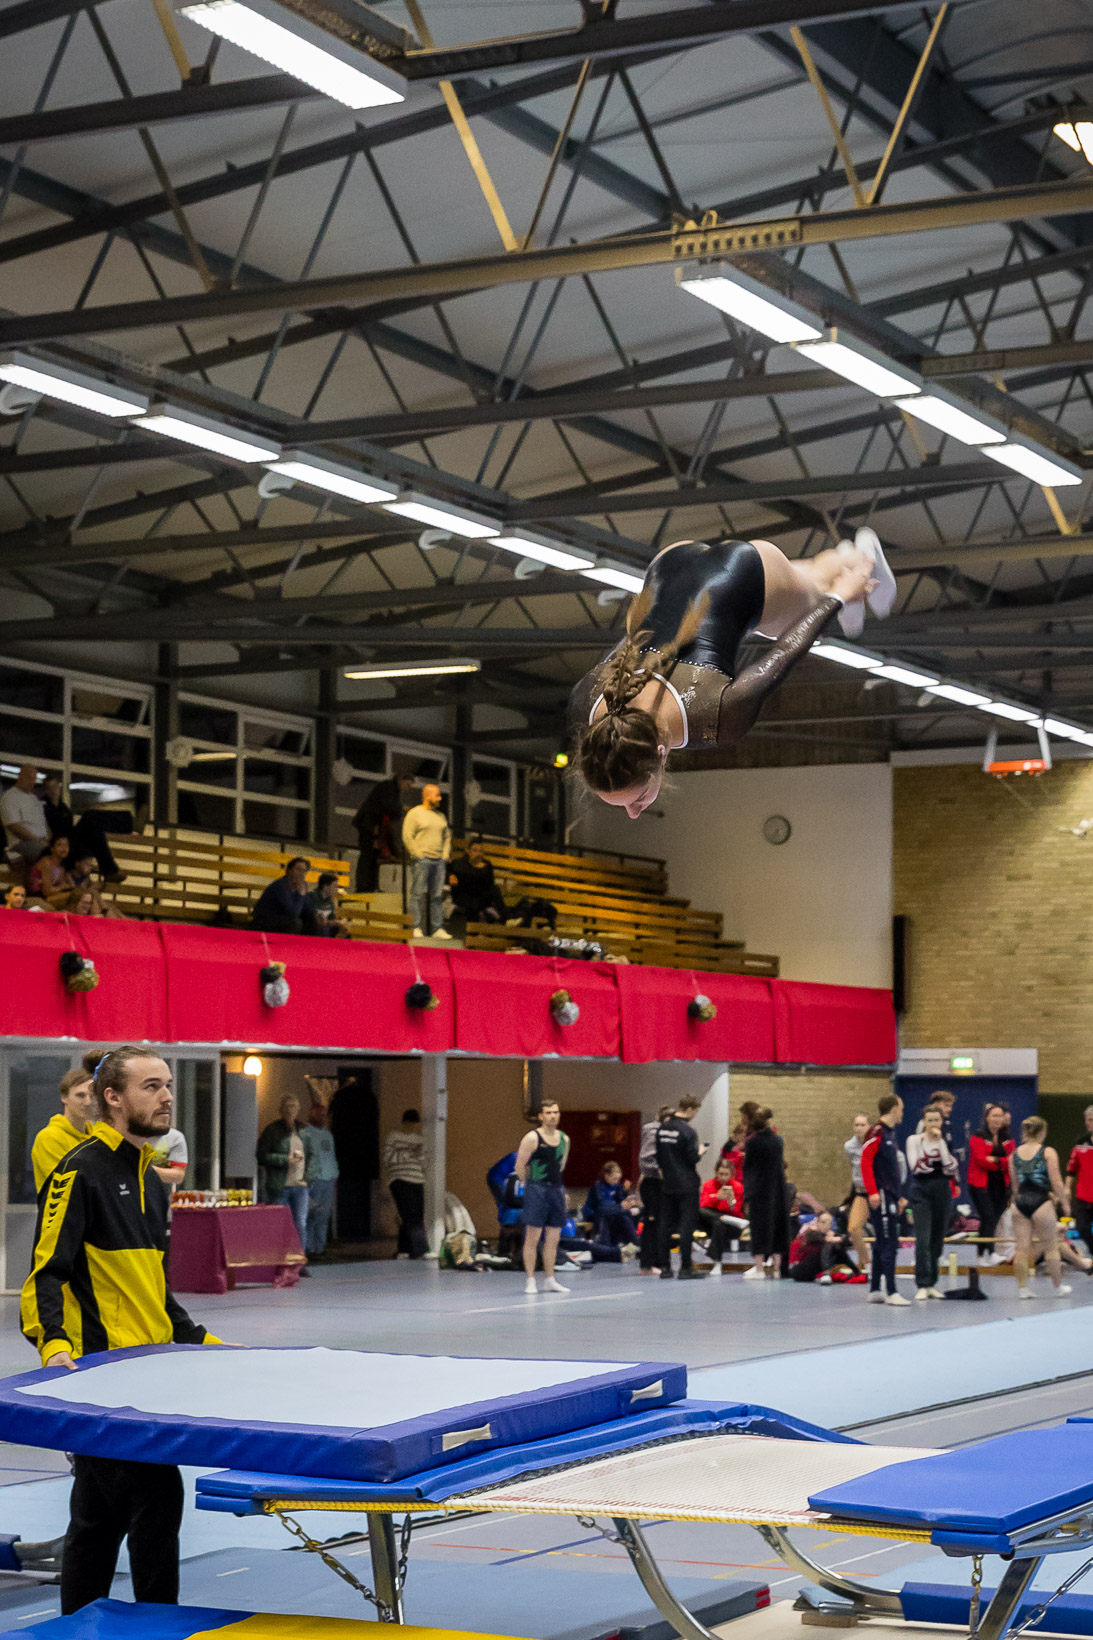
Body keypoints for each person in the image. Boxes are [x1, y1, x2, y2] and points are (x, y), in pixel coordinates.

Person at [20, 1045, 220, 1614]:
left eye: (168, 1085)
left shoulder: (153, 1183)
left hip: (150, 1374)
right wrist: (54, 1344)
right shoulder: (78, 1170)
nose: (167, 1097)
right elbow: (46, 1272)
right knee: (155, 1501)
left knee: (98, 1516)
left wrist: (200, 1340)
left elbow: (153, 1289)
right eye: (151, 1087)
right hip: (101, 1375)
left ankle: (82, 1623)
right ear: (112, 1097)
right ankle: (154, 1621)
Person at [569, 533, 885, 815]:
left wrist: (839, 597)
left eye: (637, 801)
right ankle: (845, 557)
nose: (634, 813)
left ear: (661, 754)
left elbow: (784, 654)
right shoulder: (584, 703)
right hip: (668, 565)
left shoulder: (711, 720)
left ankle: (861, 565)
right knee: (805, 577)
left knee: (812, 596)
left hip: (747, 575)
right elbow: (630, 640)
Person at [1010, 1116, 1071, 1299]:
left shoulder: (1013, 1155)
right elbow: (1056, 1181)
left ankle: (1022, 1289)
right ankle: (1058, 1287)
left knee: (1022, 1248)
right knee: (1051, 1246)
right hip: (1041, 1201)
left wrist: (1016, 1201)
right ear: (1042, 1132)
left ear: (1024, 1132)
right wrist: (1065, 1203)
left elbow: (1015, 1185)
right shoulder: (1047, 1152)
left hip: (1020, 1202)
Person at [515, 1099, 571, 1296]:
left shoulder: (564, 1139)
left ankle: (550, 1279)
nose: (553, 1116)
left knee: (553, 1238)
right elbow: (520, 1166)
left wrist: (559, 1190)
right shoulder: (532, 1138)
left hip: (555, 1189)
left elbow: (561, 1165)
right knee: (533, 1236)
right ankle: (531, 1279)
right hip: (536, 1188)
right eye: (548, 1113)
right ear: (540, 1116)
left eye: (555, 1112)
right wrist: (530, 1185)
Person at [861, 1093, 910, 1306]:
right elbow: (865, 1162)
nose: (902, 1113)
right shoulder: (877, 1132)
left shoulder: (890, 1133)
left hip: (890, 1195)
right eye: (901, 1109)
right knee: (889, 1242)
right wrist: (872, 1191)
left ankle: (874, 1289)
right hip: (880, 1194)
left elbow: (892, 1170)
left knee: (883, 1242)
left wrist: (899, 1196)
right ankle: (891, 1290)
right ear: (893, 1109)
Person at [906, 1106, 959, 1300]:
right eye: (930, 1120)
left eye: (937, 1120)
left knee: (937, 1237)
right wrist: (939, 1162)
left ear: (941, 1122)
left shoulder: (943, 1141)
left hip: (941, 1189)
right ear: (924, 1122)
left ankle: (932, 1282)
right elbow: (915, 1167)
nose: (933, 1124)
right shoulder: (913, 1140)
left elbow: (950, 1166)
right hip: (921, 1189)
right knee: (923, 1237)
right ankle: (922, 1282)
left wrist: (939, 1144)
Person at [40, 772, 130, 884]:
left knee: (96, 829)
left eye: (55, 787)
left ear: (59, 788)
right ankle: (129, 824)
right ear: (46, 791)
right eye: (50, 788)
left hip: (73, 840)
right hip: (64, 843)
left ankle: (109, 870)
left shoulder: (63, 807)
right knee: (89, 815)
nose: (54, 791)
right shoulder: (45, 808)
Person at [256, 1094, 310, 1272]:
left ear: (298, 1109)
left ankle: (298, 1264)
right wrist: (285, 1160)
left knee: (300, 1224)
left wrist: (308, 1177)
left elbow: (312, 1155)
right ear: (280, 1110)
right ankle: (279, 1263)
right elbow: (262, 1155)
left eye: (293, 1106)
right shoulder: (272, 1130)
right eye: (287, 1106)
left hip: (300, 1186)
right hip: (279, 1185)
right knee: (280, 1224)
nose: (290, 1110)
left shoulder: (304, 1130)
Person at [655, 1095, 706, 1280]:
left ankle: (665, 1268)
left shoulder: (662, 1129)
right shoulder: (688, 1131)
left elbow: (659, 1156)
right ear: (690, 1109)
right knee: (686, 1226)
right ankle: (685, 1268)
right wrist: (700, 1151)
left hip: (668, 1183)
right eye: (696, 1112)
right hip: (687, 1184)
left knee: (665, 1225)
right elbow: (692, 1158)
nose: (695, 1115)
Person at [31, 1066, 98, 1193]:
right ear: (64, 1097)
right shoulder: (49, 1138)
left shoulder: (97, 1137)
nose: (88, 1102)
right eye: (80, 1095)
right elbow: (66, 1186)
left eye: (92, 1096)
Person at [742, 1107, 790, 1280]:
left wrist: (747, 1193)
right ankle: (777, 1269)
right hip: (778, 1189)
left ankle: (760, 1269)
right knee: (778, 1227)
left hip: (759, 1190)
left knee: (759, 1227)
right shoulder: (778, 1141)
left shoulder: (752, 1142)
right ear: (769, 1121)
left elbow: (748, 1168)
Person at [402, 784, 452, 939]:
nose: (440, 798)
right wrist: (418, 854)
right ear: (427, 796)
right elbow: (407, 836)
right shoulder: (415, 813)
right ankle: (415, 926)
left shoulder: (441, 816)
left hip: (439, 861)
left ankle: (437, 928)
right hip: (422, 860)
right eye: (437, 795)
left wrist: (444, 855)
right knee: (417, 894)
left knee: (437, 896)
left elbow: (447, 836)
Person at [968, 1103, 1015, 1262]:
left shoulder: (1007, 1138)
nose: (997, 1119)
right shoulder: (978, 1136)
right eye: (994, 1115)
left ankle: (984, 1254)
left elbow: (1012, 1160)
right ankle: (988, 1252)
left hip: (1001, 1185)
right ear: (987, 1118)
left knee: (993, 1219)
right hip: (980, 1185)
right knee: (987, 1217)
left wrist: (995, 1160)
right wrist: (1001, 1162)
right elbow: (981, 1160)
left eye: (1000, 1116)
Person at [352, 772, 413, 892]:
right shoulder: (388, 788)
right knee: (368, 855)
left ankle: (370, 886)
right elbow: (387, 806)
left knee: (373, 856)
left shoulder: (391, 789)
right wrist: (400, 811)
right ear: (401, 780)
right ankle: (364, 886)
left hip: (372, 825)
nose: (408, 788)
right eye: (407, 784)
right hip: (370, 826)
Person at [383, 1107, 427, 1260]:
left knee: (415, 1215)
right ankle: (420, 1249)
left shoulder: (420, 1139)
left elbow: (424, 1163)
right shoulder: (394, 1137)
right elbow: (387, 1158)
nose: (412, 1127)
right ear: (404, 1123)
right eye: (409, 1123)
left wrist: (418, 1155)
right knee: (410, 1214)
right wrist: (408, 1153)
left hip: (417, 1179)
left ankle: (403, 1249)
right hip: (399, 1179)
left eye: (414, 1124)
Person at [637, 1105, 672, 1275]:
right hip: (653, 1182)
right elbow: (646, 1157)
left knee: (660, 1223)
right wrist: (662, 1169)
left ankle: (659, 1261)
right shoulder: (653, 1130)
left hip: (659, 1183)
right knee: (652, 1223)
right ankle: (647, 1264)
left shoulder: (665, 1132)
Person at [697, 1157, 747, 1274]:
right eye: (721, 1174)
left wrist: (731, 1203)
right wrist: (716, 1197)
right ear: (715, 1172)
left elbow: (737, 1211)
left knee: (719, 1224)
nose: (723, 1178)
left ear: (731, 1174)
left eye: (726, 1174)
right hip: (711, 1222)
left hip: (732, 1225)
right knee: (701, 1212)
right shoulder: (708, 1185)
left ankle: (717, 1262)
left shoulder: (737, 1187)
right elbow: (703, 1205)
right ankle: (722, 1218)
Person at [303, 1101, 339, 1260]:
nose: (323, 1118)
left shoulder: (328, 1134)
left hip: (328, 1178)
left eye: (325, 1115)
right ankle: (309, 1247)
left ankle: (320, 1247)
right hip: (314, 1179)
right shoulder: (305, 1134)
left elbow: (331, 1156)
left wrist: (334, 1174)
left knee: (324, 1215)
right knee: (312, 1215)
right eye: (320, 1115)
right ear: (312, 1115)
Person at [252, 856, 320, 937]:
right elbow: (293, 913)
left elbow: (309, 909)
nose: (301, 874)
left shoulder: (301, 885)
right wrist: (301, 894)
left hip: (282, 919)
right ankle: (287, 944)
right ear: (289, 870)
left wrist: (316, 915)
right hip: (264, 920)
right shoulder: (281, 886)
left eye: (304, 871)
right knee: (295, 923)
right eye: (298, 869)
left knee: (313, 922)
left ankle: (308, 945)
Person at [448, 837, 508, 927]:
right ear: (468, 851)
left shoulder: (486, 865)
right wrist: (451, 876)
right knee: (471, 904)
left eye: (481, 851)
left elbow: (489, 884)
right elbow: (450, 873)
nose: (478, 854)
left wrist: (482, 871)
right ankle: (474, 928)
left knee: (495, 889)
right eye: (475, 850)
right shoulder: (459, 864)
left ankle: (506, 920)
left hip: (479, 896)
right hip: (464, 896)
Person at [0, 763, 48, 873]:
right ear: (20, 776)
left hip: (40, 842)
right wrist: (37, 840)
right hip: (21, 843)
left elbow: (43, 823)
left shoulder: (33, 798)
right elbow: (13, 826)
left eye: (34, 779)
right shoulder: (10, 797)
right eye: (29, 778)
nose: (32, 781)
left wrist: (51, 841)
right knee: (51, 856)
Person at [583, 1161, 640, 1248]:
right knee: (608, 1216)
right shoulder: (597, 1186)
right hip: (595, 1214)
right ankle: (605, 1244)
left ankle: (635, 1243)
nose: (616, 1181)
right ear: (606, 1176)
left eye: (618, 1179)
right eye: (614, 1179)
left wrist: (627, 1198)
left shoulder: (617, 1186)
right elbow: (601, 1207)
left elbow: (620, 1202)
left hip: (612, 1213)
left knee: (623, 1217)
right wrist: (625, 1209)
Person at [789, 1210, 854, 1284]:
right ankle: (826, 1273)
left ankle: (855, 1270)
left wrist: (843, 1239)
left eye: (830, 1223)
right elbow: (823, 1238)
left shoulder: (830, 1233)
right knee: (829, 1245)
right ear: (818, 1222)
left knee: (837, 1248)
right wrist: (838, 1239)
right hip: (799, 1269)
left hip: (813, 1271)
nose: (827, 1225)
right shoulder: (809, 1232)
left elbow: (848, 1241)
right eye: (823, 1222)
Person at [843, 1113, 872, 1279]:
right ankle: (867, 1262)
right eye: (856, 1125)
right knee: (853, 1228)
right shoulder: (849, 1146)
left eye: (862, 1125)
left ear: (869, 1127)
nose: (859, 1128)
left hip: (878, 1192)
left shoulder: (875, 1143)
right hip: (861, 1192)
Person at [1067, 1106, 1093, 1261]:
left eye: (1091, 1120)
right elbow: (1072, 1168)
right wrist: (1066, 1187)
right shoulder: (1080, 1142)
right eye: (1087, 1120)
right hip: (1083, 1194)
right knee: (1081, 1227)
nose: (1087, 1123)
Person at [27, 834, 75, 909]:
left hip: (51, 896)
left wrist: (65, 884)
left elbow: (68, 885)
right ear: (52, 848)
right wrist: (62, 887)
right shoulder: (46, 862)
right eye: (60, 845)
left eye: (66, 845)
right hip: (39, 897)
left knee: (80, 895)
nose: (64, 848)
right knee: (75, 896)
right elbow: (47, 891)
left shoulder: (61, 866)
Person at [305, 872, 350, 938]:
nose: (336, 890)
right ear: (325, 886)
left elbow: (331, 919)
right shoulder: (311, 897)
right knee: (324, 929)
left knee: (344, 930)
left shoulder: (330, 903)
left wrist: (339, 924)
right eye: (334, 886)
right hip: (310, 927)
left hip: (324, 927)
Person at [146, 1126, 188, 1191]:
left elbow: (178, 1176)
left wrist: (146, 1169)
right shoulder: (130, 1134)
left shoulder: (174, 1137)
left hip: (160, 1193)